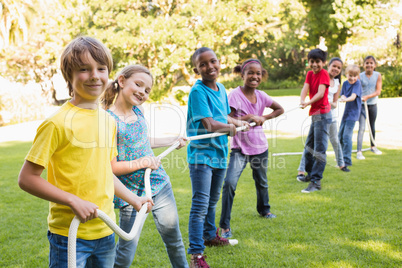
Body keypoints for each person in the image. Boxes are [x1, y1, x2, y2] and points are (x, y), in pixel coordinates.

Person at [18, 36, 153, 268]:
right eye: (84, 69)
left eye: (101, 68)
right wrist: (73, 201)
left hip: (106, 229)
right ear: (69, 76)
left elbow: (105, 172)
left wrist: (134, 199)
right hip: (69, 235)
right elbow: (27, 179)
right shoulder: (56, 123)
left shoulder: (108, 121)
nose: (94, 75)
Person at [100, 65, 188, 268]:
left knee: (174, 241)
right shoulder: (108, 121)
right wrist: (143, 162)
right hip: (130, 195)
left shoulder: (138, 112)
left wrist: (172, 140)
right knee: (125, 253)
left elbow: (144, 140)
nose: (142, 92)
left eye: (147, 90)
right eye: (138, 85)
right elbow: (110, 167)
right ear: (121, 81)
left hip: (159, 185)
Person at [186, 47, 248, 268]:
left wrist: (243, 121)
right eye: (203, 64)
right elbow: (210, 124)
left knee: (212, 201)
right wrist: (233, 126)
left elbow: (224, 116)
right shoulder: (198, 91)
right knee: (200, 204)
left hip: (221, 151)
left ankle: (210, 236)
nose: (209, 67)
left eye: (213, 61)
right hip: (202, 155)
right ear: (197, 69)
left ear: (219, 62)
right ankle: (195, 255)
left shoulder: (221, 88)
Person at [219, 59, 284, 239]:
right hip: (239, 149)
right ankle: (224, 226)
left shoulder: (262, 96)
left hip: (260, 147)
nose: (255, 76)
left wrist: (265, 117)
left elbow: (279, 109)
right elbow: (225, 118)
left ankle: (264, 210)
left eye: (258, 73)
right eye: (251, 73)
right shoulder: (234, 95)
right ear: (243, 75)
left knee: (261, 182)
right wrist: (246, 117)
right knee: (230, 183)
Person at [296, 57, 349, 178]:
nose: (335, 69)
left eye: (338, 68)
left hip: (331, 115)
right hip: (320, 114)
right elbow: (314, 90)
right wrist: (305, 101)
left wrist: (327, 102)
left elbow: (335, 103)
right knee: (312, 143)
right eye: (334, 66)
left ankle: (341, 164)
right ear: (328, 65)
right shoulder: (320, 76)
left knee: (334, 141)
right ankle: (302, 170)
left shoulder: (337, 84)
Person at [297, 48, 332, 193]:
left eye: (318, 61)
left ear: (323, 62)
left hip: (323, 114)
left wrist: (308, 102)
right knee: (309, 146)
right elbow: (305, 88)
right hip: (315, 114)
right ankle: (310, 174)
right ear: (308, 62)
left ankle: (316, 182)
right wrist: (301, 99)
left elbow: (321, 93)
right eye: (312, 61)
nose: (315, 64)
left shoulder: (324, 74)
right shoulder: (309, 74)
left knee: (319, 149)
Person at [356, 55, 383, 159]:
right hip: (362, 106)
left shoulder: (377, 75)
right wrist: (361, 97)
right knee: (362, 127)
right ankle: (359, 151)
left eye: (371, 63)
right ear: (364, 65)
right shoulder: (360, 76)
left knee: (372, 126)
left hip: (373, 104)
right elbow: (357, 89)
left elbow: (378, 91)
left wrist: (368, 96)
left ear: (374, 65)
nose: (369, 65)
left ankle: (373, 146)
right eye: (367, 63)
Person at [338, 64, 362, 169]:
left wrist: (344, 99)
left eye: (354, 75)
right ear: (346, 74)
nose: (352, 78)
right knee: (339, 136)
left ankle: (347, 161)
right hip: (346, 113)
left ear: (357, 76)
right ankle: (341, 158)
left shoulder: (357, 84)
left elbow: (352, 97)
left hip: (353, 114)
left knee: (347, 137)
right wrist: (343, 97)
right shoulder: (345, 83)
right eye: (350, 75)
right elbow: (342, 94)